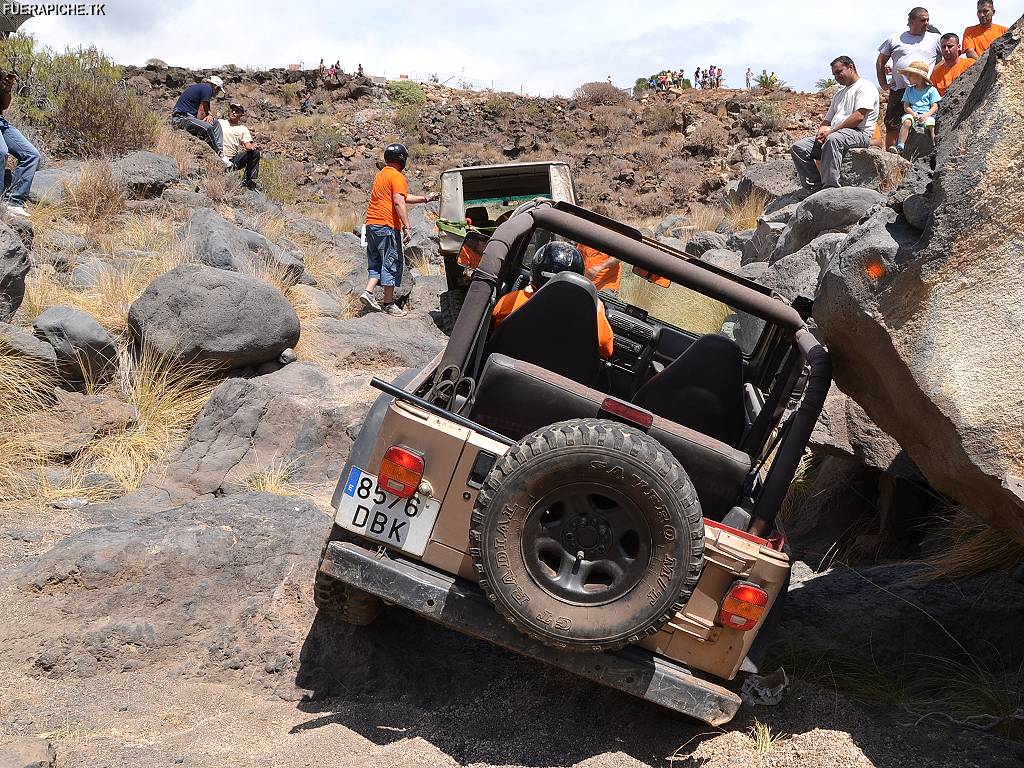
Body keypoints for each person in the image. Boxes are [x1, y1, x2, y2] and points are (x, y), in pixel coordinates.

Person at [492, 241, 614, 359]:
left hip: (509, 371)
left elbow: (494, 323)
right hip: (563, 374)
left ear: (535, 273)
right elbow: (607, 350)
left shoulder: (513, 301)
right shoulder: (593, 317)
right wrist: (597, 311)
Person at [360, 143, 437, 316]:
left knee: (376, 262)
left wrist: (426, 198)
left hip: (371, 225)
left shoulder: (381, 175)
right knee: (391, 262)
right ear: (402, 159)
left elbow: (402, 196)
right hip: (386, 226)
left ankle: (368, 292)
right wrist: (406, 225)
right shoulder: (397, 176)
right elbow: (398, 201)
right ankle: (388, 304)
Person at [791, 56, 879, 190]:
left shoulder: (866, 87)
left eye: (839, 72)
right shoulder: (839, 93)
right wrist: (821, 132)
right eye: (834, 74)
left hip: (859, 133)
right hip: (836, 132)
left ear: (851, 67)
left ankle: (830, 186)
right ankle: (813, 187)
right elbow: (827, 120)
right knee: (799, 147)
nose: (837, 77)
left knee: (832, 139)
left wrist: (831, 131)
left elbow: (859, 116)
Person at [876, 7, 941, 149]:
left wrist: (935, 75)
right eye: (922, 20)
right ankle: (892, 154)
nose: (926, 23)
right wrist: (883, 84)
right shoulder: (895, 39)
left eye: (928, 20)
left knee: (927, 123)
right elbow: (881, 61)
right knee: (893, 124)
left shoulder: (935, 38)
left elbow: (947, 57)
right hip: (900, 89)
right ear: (911, 21)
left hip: (924, 90)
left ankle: (929, 152)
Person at [0, 69, 40, 218]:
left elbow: (3, 106)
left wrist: (6, 89)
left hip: (1, 122)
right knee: (1, 152)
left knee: (32, 155)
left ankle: (14, 202)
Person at [890, 60, 940, 154]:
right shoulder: (909, 90)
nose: (907, 77)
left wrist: (926, 115)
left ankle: (934, 147)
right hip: (913, 113)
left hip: (927, 115)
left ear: (918, 76)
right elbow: (906, 106)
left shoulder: (931, 90)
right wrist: (913, 113)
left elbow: (935, 106)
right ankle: (900, 146)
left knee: (931, 124)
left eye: (910, 75)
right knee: (907, 121)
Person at [171, 75, 226, 157]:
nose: (217, 93)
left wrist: (209, 115)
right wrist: (202, 122)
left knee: (215, 123)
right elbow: (201, 112)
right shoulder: (207, 89)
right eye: (218, 90)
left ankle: (220, 150)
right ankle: (218, 154)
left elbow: (206, 110)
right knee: (207, 127)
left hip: (189, 117)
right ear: (216, 87)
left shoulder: (204, 88)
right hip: (181, 117)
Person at [577, 205, 622, 293]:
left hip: (606, 287)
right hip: (585, 285)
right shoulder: (585, 236)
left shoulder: (612, 237)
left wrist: (600, 267)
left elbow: (619, 256)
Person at [218, 103, 260, 190]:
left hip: (232, 161)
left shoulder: (242, 129)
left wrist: (253, 147)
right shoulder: (220, 122)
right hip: (218, 157)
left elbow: (248, 145)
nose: (233, 112)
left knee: (255, 153)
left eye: (237, 111)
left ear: (241, 115)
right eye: (232, 110)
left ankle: (248, 179)